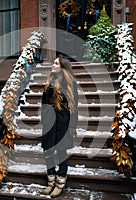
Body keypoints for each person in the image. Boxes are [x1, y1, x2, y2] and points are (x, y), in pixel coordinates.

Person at [40, 55, 78, 198]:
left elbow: (74, 106)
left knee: (61, 152)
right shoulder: (48, 81)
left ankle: (60, 182)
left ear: (62, 67)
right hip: (49, 122)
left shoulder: (70, 83)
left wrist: (72, 125)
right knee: (47, 151)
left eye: (56, 63)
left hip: (63, 122)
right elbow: (43, 102)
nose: (53, 65)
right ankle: (50, 181)